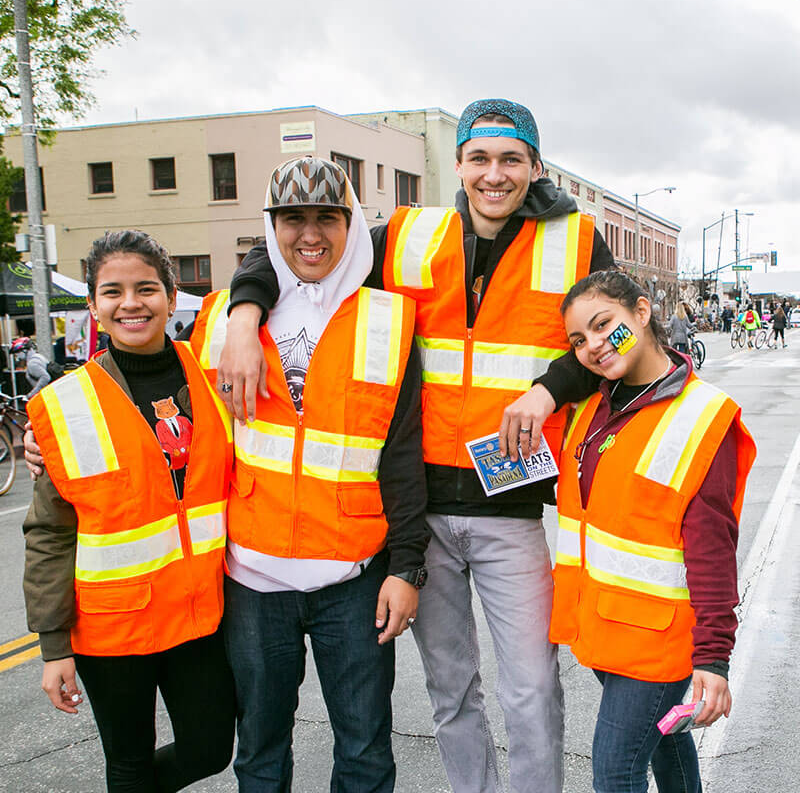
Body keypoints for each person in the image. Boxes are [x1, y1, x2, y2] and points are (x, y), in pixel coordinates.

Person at [217, 100, 616, 793]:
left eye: (511, 159)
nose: (495, 174)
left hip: (509, 509)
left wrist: (550, 388)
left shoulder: (578, 240)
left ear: (534, 166)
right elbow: (298, 245)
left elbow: (622, 335)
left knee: (531, 690)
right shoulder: (404, 234)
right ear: (457, 164)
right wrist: (244, 314)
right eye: (480, 158)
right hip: (422, 512)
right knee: (451, 692)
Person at [189, 155, 428, 792]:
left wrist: (406, 567)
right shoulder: (220, 318)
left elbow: (402, 456)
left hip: (353, 578)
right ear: (271, 228)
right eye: (292, 219)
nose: (310, 234)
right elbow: (170, 423)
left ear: (352, 225)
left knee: (366, 751)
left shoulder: (390, 319)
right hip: (253, 579)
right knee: (261, 753)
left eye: (328, 218)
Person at [22, 230, 237, 791]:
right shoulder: (65, 406)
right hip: (111, 630)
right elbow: (48, 533)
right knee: (129, 762)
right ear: (93, 305)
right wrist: (53, 646)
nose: (131, 303)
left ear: (170, 295)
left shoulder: (216, 372)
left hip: (199, 615)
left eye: (146, 288)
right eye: (112, 292)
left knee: (210, 748)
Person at [550, 270, 756, 793]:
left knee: (615, 772)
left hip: (659, 642)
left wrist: (713, 656)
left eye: (604, 325)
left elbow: (713, 552)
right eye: (579, 340)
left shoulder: (701, 416)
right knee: (666, 743)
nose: (594, 345)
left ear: (641, 313)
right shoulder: (593, 409)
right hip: (604, 628)